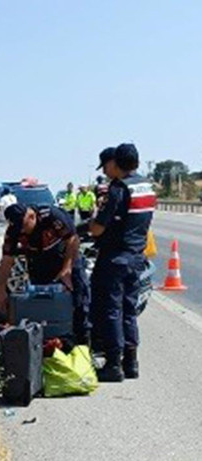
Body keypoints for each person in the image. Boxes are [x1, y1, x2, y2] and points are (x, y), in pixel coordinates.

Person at [89, 143, 156, 382]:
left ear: (116, 163)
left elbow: (98, 229)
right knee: (129, 309)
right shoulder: (146, 187)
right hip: (137, 256)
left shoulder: (118, 189)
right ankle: (131, 362)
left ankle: (113, 365)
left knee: (111, 309)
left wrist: (91, 225)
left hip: (116, 257)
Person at [0, 203, 91, 344]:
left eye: (23, 226)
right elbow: (7, 260)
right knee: (42, 305)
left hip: (66, 257)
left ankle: (83, 343)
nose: (21, 231)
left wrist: (66, 270)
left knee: (79, 302)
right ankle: (47, 345)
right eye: (18, 228)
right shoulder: (14, 230)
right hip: (40, 263)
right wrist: (0, 291)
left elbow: (72, 239)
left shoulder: (51, 216)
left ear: (31, 216)